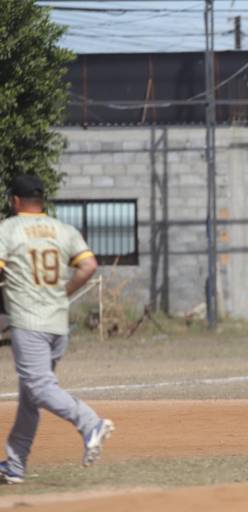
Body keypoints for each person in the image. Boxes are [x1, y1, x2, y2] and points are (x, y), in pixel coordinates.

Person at [0, 174, 114, 485]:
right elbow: (88, 266)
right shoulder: (64, 230)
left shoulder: (8, 229)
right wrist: (64, 293)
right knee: (30, 396)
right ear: (41, 200)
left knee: (38, 388)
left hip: (29, 322)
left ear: (15, 201)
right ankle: (15, 464)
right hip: (57, 324)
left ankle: (89, 423)